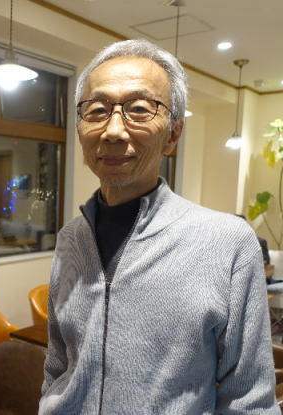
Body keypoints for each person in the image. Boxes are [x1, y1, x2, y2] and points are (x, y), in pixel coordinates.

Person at [39, 39, 277, 414]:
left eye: (138, 109)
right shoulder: (72, 237)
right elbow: (58, 362)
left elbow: (250, 399)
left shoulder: (227, 243)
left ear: (173, 134)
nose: (113, 130)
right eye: (97, 110)